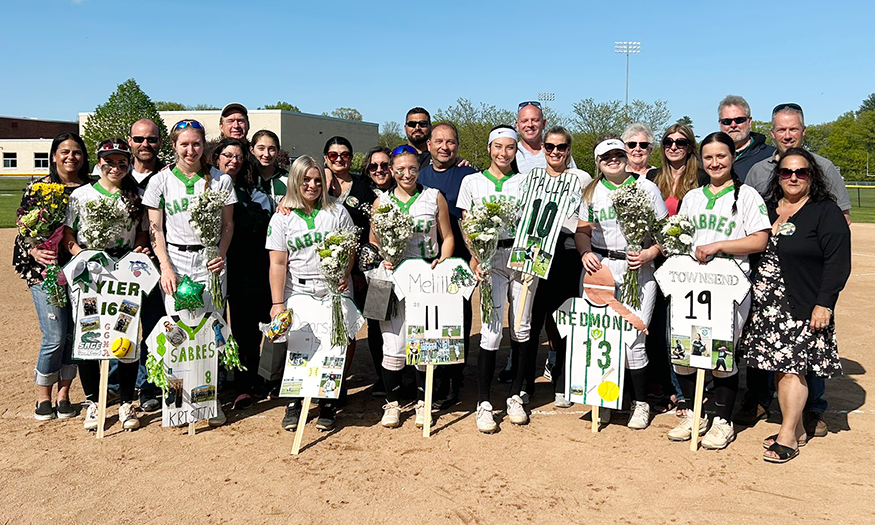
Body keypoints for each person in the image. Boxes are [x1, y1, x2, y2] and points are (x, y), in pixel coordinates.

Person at [737, 103, 852, 435]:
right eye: (786, 173)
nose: (793, 177)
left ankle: (800, 421)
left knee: (798, 365)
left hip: (803, 294)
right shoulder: (765, 189)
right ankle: (778, 412)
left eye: (800, 173)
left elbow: (837, 250)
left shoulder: (824, 194)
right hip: (766, 300)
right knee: (775, 363)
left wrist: (824, 300)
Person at [666, 131, 770, 449]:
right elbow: (678, 237)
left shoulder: (747, 195)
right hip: (692, 287)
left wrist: (719, 245)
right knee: (683, 354)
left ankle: (722, 419)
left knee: (719, 356)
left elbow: (760, 239)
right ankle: (697, 413)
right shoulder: (694, 198)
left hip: (729, 286)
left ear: (732, 157)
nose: (715, 162)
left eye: (721, 156)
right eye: (709, 157)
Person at [142, 119, 237, 427]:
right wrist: (165, 268)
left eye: (196, 143)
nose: (191, 149)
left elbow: (227, 224)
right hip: (176, 261)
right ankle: (178, 401)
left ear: (203, 145)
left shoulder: (220, 180)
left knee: (209, 331)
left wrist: (220, 255)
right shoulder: (160, 181)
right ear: (174, 146)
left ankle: (208, 400)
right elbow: (155, 228)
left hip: (208, 261)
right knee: (178, 333)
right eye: (184, 144)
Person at [575, 138, 668, 430]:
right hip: (600, 268)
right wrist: (585, 252)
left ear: (626, 157)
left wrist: (651, 252)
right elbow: (582, 231)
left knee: (633, 339)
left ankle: (641, 402)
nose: (613, 159)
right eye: (606, 156)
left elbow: (665, 232)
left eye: (618, 154)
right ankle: (605, 398)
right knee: (600, 337)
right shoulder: (592, 191)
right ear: (598, 161)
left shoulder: (646, 187)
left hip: (639, 268)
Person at [62, 138, 151, 431]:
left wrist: (137, 251)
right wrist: (85, 255)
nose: (115, 166)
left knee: (123, 334)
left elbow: (141, 234)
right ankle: (93, 402)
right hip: (90, 272)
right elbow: (69, 235)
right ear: (99, 162)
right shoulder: (82, 195)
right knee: (89, 337)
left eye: (121, 162)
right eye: (109, 161)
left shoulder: (136, 195)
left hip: (122, 271)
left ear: (128, 164)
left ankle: (126, 401)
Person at [266, 155, 356, 433]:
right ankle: (294, 401)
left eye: (317, 180)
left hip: (332, 289)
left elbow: (350, 249)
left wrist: (344, 273)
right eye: (306, 179)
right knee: (300, 347)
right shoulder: (282, 218)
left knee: (333, 347)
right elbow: (278, 263)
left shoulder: (337, 212)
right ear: (295, 180)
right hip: (299, 289)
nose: (313, 185)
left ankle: (327, 401)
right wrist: (277, 302)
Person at [370, 147, 455, 429]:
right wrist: (382, 257)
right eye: (400, 169)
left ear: (419, 168)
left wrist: (442, 260)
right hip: (392, 278)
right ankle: (393, 404)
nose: (407, 174)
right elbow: (373, 242)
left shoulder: (433, 196)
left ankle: (423, 402)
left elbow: (448, 236)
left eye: (412, 168)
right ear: (391, 171)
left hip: (426, 277)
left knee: (424, 344)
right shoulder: (382, 201)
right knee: (393, 345)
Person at [457, 125, 534, 433]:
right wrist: (475, 256)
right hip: (489, 258)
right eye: (498, 147)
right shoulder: (472, 181)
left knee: (521, 327)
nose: (504, 153)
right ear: (489, 148)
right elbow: (466, 224)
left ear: (517, 150)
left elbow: (537, 221)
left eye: (510, 148)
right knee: (490, 331)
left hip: (521, 255)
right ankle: (484, 402)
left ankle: (516, 396)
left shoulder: (526, 181)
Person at [14, 133, 91, 421]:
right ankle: (42, 397)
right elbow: (24, 228)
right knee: (55, 336)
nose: (71, 157)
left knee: (75, 334)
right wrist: (34, 250)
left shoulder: (90, 187)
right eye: (64, 152)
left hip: (81, 269)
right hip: (46, 270)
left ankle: (64, 395)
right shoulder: (39, 187)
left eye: (77, 152)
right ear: (54, 155)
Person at [515, 126, 592, 415]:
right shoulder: (530, 177)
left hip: (566, 252)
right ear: (543, 149)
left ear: (569, 150)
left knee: (563, 321)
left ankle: (562, 381)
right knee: (530, 321)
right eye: (550, 147)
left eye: (561, 147)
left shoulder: (581, 178)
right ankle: (524, 383)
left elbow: (588, 218)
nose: (555, 152)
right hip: (534, 250)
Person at [417, 123, 477, 408]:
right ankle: (430, 378)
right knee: (427, 320)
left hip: (459, 261)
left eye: (450, 142)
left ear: (457, 145)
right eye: (439, 141)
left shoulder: (469, 175)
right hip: (422, 264)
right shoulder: (416, 175)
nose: (445, 146)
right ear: (428, 144)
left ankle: (453, 380)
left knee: (456, 320)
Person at [646, 124, 704, 414]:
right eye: (669, 141)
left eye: (681, 142)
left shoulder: (702, 178)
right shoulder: (654, 177)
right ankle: (666, 387)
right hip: (657, 264)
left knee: (681, 330)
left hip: (690, 267)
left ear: (690, 146)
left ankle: (687, 394)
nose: (674, 146)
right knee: (657, 330)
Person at [214, 137, 273, 410]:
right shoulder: (204, 188)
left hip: (246, 269)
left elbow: (258, 227)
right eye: (227, 155)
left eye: (238, 156)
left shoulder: (255, 194)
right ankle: (209, 382)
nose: (232, 160)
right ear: (216, 158)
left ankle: (245, 383)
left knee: (245, 330)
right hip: (208, 266)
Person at [127, 118, 166, 413]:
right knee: (121, 325)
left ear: (160, 143)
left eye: (151, 139)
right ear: (130, 141)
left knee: (153, 328)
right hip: (120, 268)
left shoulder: (168, 176)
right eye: (139, 139)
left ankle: (149, 385)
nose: (145, 144)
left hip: (156, 266)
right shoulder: (114, 174)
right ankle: (120, 386)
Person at [357, 146, 393, 396]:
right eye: (374, 166)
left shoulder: (405, 188)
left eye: (384, 165)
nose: (379, 170)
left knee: (402, 322)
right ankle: (383, 377)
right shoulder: (360, 190)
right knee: (377, 321)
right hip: (372, 270)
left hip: (402, 266)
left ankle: (406, 375)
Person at [717, 95, 775, 181]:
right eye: (727, 121)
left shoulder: (771, 156)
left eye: (739, 120)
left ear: (749, 122)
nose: (733, 125)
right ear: (720, 124)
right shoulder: (707, 160)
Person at [515, 101, 577, 177]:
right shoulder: (510, 154)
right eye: (524, 121)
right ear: (517, 125)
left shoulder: (559, 151)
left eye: (535, 120)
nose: (530, 124)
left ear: (543, 123)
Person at [250, 130, 288, 205]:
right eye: (261, 148)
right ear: (252, 150)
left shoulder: (288, 179)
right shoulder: (246, 179)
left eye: (271, 149)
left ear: (277, 151)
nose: (266, 154)